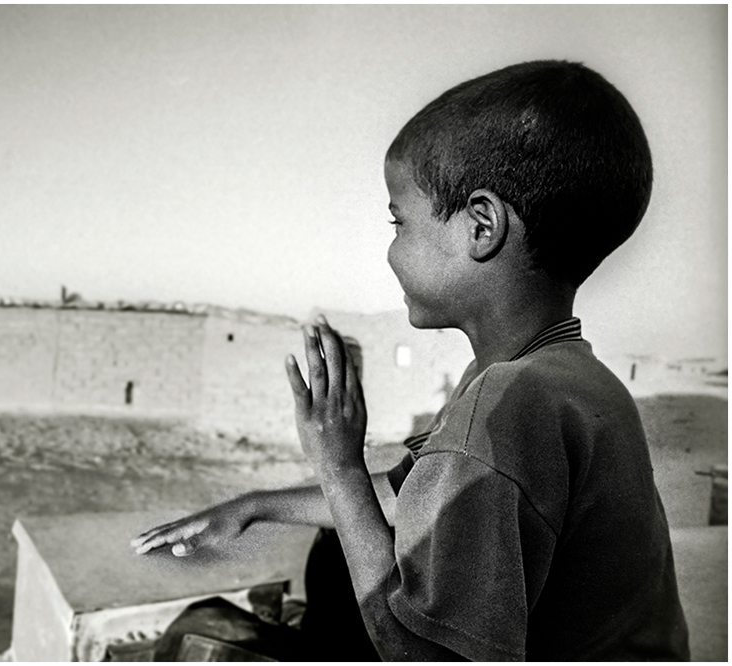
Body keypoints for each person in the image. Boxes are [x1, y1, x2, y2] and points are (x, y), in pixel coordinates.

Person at [131, 60, 690, 661]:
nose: (391, 250)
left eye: (400, 221)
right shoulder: (571, 380)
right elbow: (408, 496)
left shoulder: (509, 409)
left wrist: (339, 464)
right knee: (333, 548)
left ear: (482, 226)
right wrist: (250, 509)